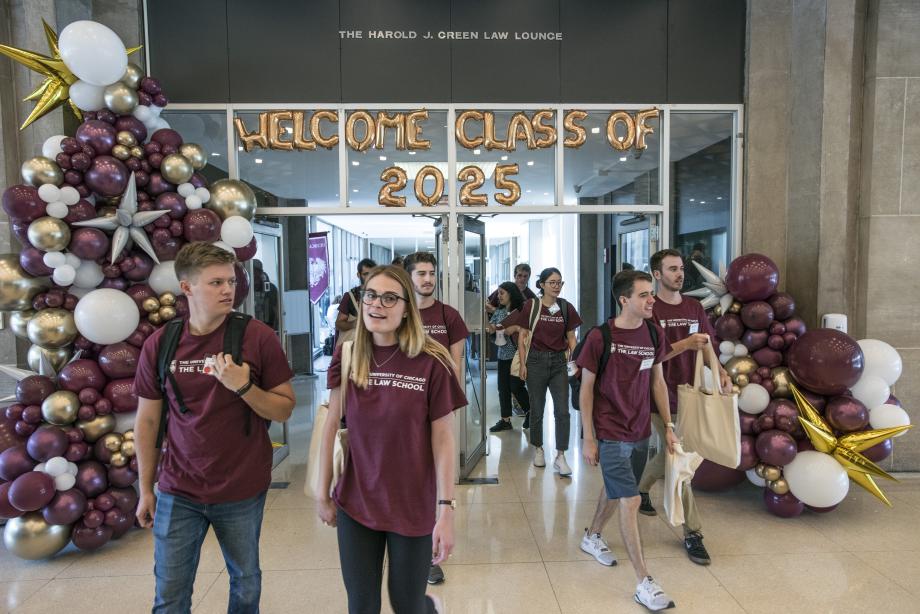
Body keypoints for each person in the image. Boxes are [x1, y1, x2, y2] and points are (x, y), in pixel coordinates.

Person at [133, 242, 296, 613]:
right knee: (170, 592)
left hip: (241, 487)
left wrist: (242, 385)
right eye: (216, 282)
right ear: (187, 288)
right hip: (178, 488)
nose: (229, 290)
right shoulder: (161, 344)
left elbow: (285, 409)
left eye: (231, 281)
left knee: (245, 583)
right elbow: (148, 420)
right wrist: (145, 488)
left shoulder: (257, 337)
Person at [316, 265, 466, 614]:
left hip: (411, 503)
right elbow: (329, 426)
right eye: (370, 295)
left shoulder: (432, 361)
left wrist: (446, 511)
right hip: (356, 500)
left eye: (389, 298)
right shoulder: (349, 354)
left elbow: (443, 440)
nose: (376, 305)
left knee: (407, 603)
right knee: (362, 605)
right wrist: (323, 493)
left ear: (405, 307)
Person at [577, 269, 676, 611]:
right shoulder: (600, 336)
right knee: (631, 501)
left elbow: (658, 383)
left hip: (640, 430)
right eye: (645, 295)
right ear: (624, 300)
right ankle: (644, 582)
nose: (652, 300)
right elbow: (586, 389)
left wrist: (670, 425)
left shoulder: (653, 332)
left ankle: (591, 536)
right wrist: (589, 437)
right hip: (610, 430)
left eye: (652, 293)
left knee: (617, 489)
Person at [637, 249, 731, 566]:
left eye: (681, 269)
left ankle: (640, 489)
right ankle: (693, 533)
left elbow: (708, 345)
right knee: (681, 464)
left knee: (671, 455)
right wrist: (686, 345)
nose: (679, 274)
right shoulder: (650, 309)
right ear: (657, 274)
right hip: (659, 397)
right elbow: (650, 355)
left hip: (692, 395)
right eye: (672, 269)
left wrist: (720, 372)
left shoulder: (693, 306)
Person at [403, 251, 469, 586]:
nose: (428, 279)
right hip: (402, 408)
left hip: (437, 407)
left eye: (431, 273)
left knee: (433, 479)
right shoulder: (397, 311)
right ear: (409, 277)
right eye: (421, 274)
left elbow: (455, 365)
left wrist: (452, 405)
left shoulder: (449, 315)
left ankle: (428, 555)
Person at [501, 267, 581, 476]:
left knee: (562, 410)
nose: (556, 286)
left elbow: (572, 338)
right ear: (542, 285)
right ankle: (538, 448)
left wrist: (575, 360)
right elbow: (523, 336)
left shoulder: (566, 307)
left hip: (558, 362)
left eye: (559, 283)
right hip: (535, 360)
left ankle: (561, 455)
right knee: (537, 407)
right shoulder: (532, 306)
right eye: (552, 282)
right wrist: (524, 364)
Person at [487, 282, 530, 432]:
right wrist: (490, 326)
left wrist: (515, 328)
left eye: (501, 293)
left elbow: (528, 330)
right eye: (498, 293)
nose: (498, 296)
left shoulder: (522, 310)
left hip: (518, 354)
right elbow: (491, 328)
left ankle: (530, 412)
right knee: (502, 388)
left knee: (516, 387)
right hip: (503, 355)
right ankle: (505, 420)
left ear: (511, 293)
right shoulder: (498, 311)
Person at [335, 258, 377, 344]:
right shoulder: (350, 296)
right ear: (358, 275)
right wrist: (354, 324)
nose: (369, 277)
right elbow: (338, 324)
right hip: (354, 347)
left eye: (372, 274)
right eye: (365, 274)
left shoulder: (381, 295)